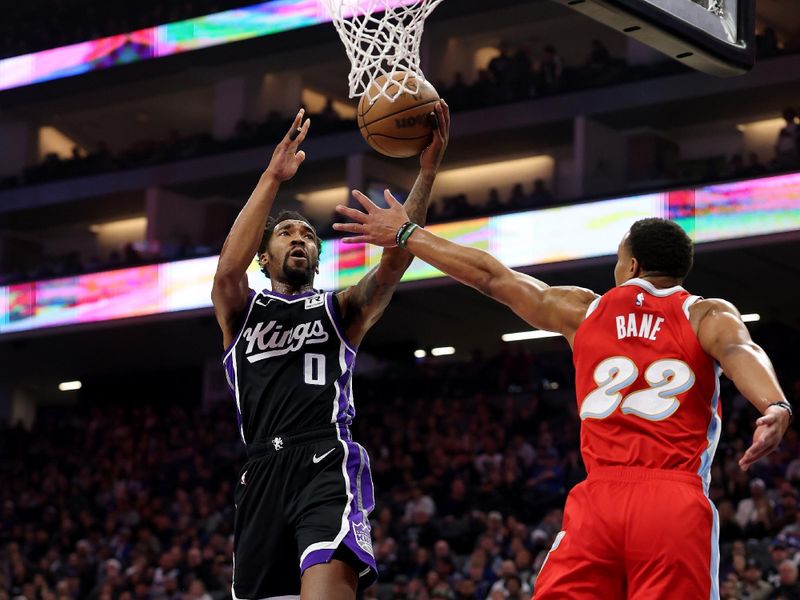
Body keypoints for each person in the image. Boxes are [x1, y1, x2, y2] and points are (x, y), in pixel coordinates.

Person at [333, 202, 793, 598]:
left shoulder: (584, 310)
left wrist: (407, 234)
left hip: (598, 503)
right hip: (673, 500)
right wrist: (774, 406)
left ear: (631, 266)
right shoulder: (703, 312)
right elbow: (740, 351)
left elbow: (490, 277)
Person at [211, 102, 450, 600]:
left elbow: (394, 265)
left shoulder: (339, 309)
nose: (299, 238)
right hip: (260, 472)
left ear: (318, 256)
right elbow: (226, 273)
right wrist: (272, 177)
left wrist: (425, 173)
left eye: (306, 235)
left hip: (324, 459)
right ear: (264, 256)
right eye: (285, 233)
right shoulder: (240, 310)